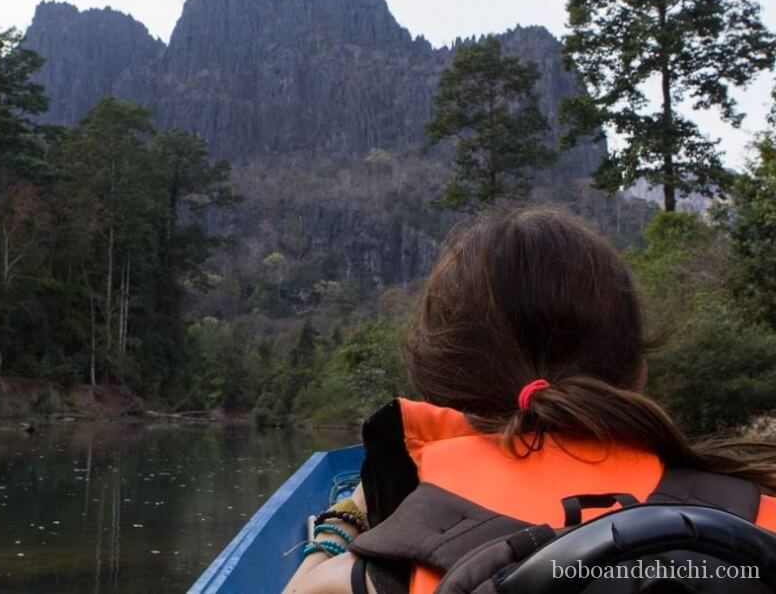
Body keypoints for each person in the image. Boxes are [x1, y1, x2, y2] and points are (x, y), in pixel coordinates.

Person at [283, 205, 776, 594]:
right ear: (638, 372)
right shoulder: (758, 515)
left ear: (440, 389)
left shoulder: (396, 561)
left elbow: (302, 590)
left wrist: (350, 513)